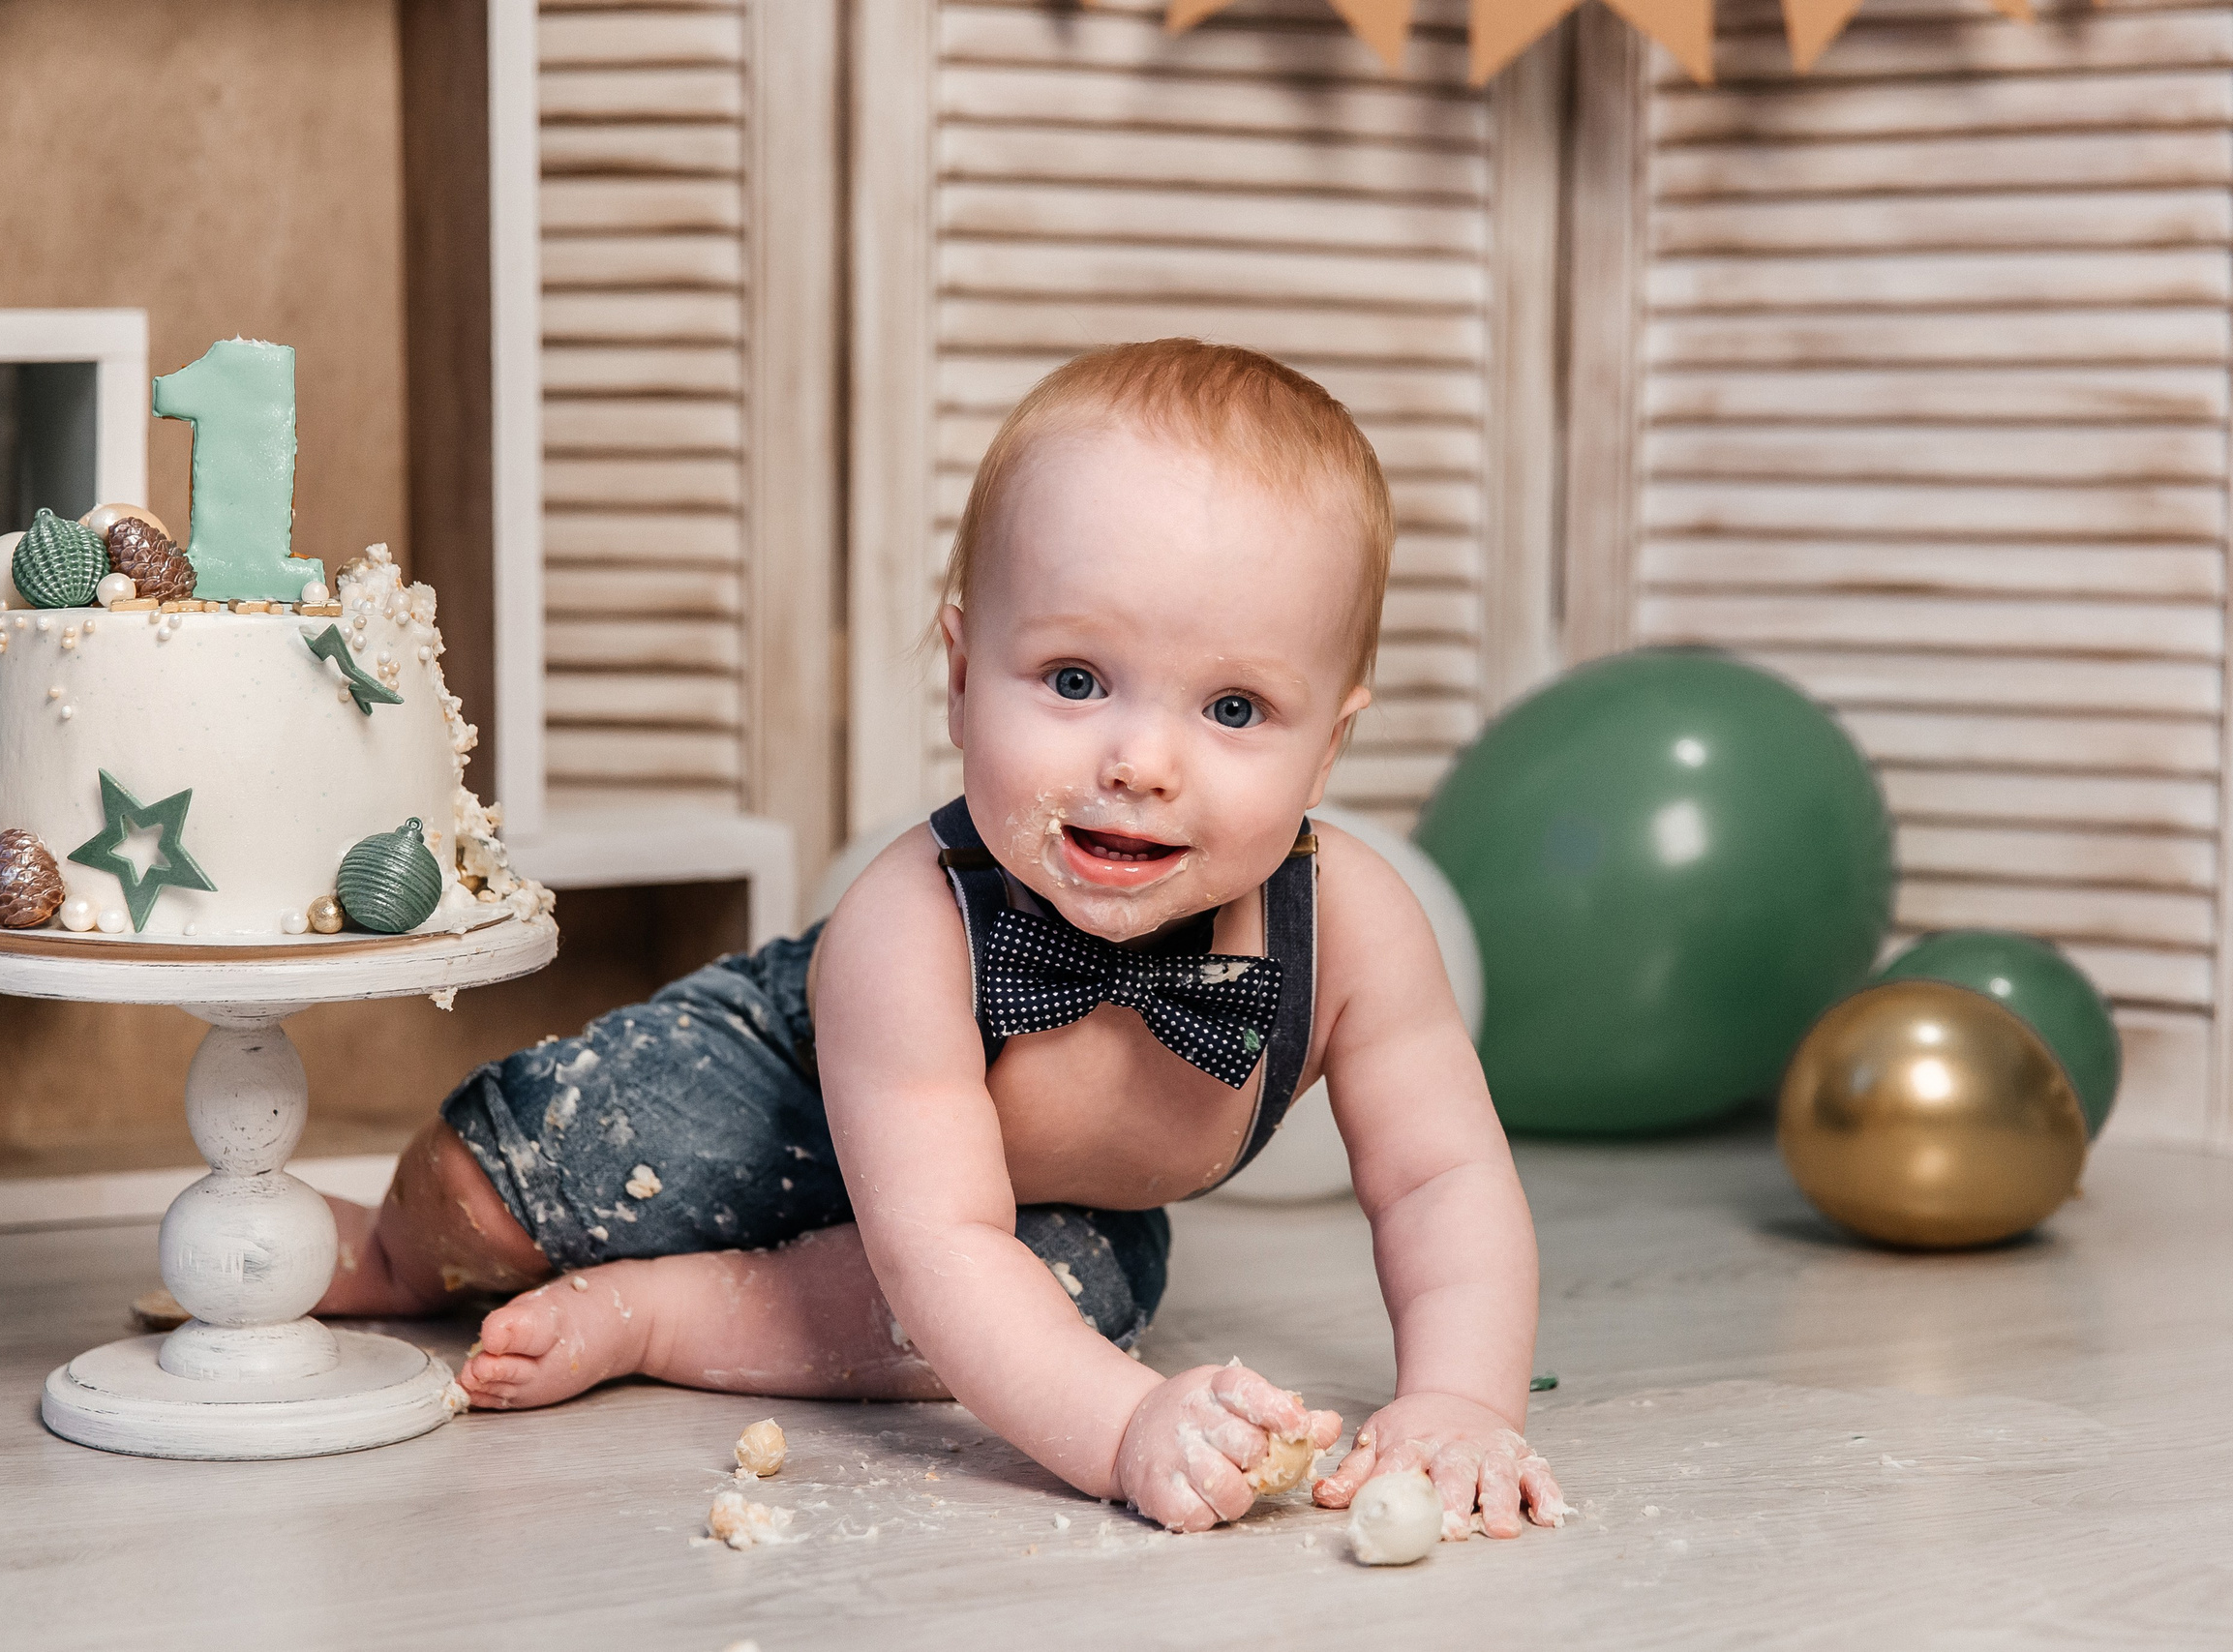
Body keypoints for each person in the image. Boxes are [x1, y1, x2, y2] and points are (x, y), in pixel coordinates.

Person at [317, 339, 1567, 1537]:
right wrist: (1131, 1432)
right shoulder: (910, 922)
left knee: (1080, 1304)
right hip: (786, 1082)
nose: (1140, 762)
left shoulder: (1350, 930)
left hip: (996, 1215)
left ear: (1329, 747)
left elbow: (1440, 1181)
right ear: (963, 677)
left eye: (1235, 708)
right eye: (1076, 680)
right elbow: (943, 1235)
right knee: (524, 1179)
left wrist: (1461, 1404)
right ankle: (382, 1254)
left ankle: (660, 1317)